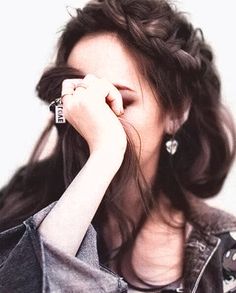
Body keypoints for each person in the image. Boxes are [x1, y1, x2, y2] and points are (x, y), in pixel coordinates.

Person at [0, 0, 236, 292]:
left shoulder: (227, 249)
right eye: (80, 99)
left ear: (176, 114)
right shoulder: (14, 207)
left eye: (119, 101)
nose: (93, 118)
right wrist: (106, 154)